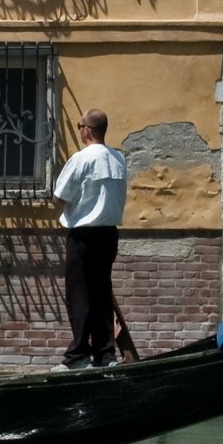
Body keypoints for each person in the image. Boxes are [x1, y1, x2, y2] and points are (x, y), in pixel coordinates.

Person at [52, 108, 128, 370]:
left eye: (79, 125)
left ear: (86, 129)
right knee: (101, 293)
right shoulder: (119, 159)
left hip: (84, 235)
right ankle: (105, 355)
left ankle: (78, 356)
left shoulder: (80, 159)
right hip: (109, 235)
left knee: (79, 295)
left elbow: (61, 196)